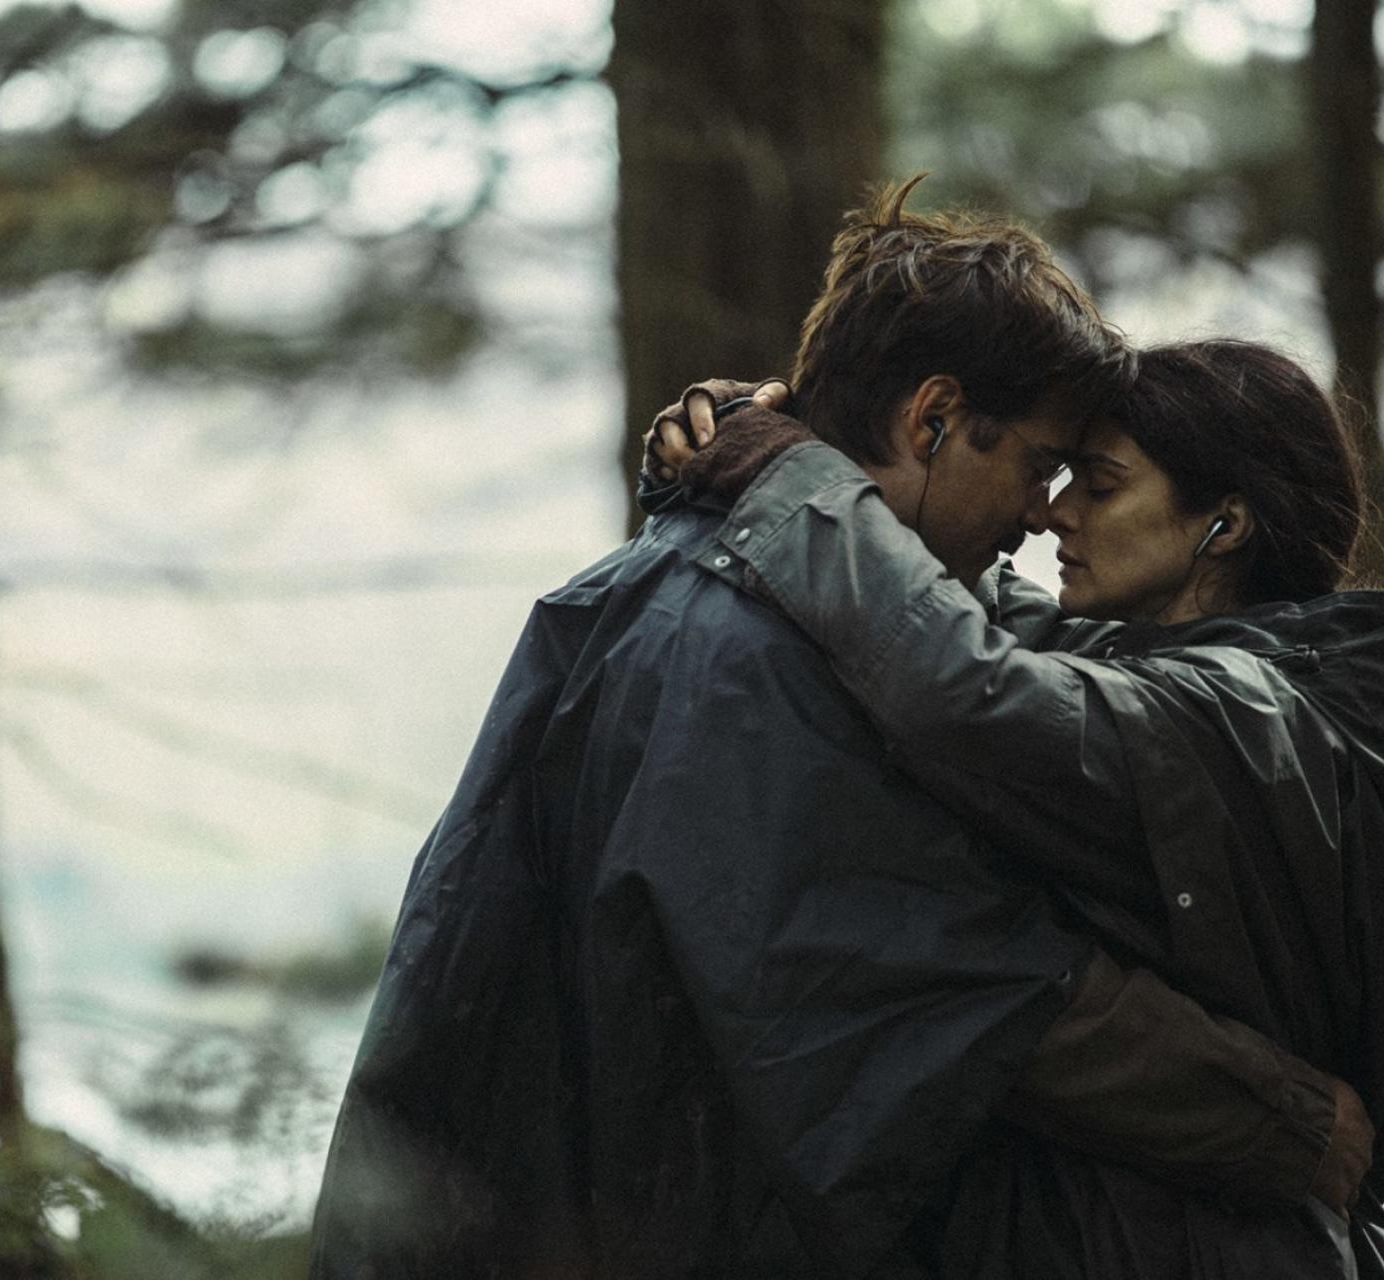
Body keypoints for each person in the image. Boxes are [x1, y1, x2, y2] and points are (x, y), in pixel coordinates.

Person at [310, 183, 1371, 1279]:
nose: (1038, 512)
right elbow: (960, 982)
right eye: (1037, 464)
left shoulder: (696, 596)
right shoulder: (759, 652)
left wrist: (767, 470)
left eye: (1082, 481)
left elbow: (984, 673)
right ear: (931, 419)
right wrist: (1291, 1124)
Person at [648, 336, 1384, 1274]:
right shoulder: (1147, 668)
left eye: (1100, 487)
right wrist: (795, 446)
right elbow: (956, 605)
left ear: (1225, 525)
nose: (1056, 512)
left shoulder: (1255, 715)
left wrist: (789, 477)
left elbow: (960, 685)